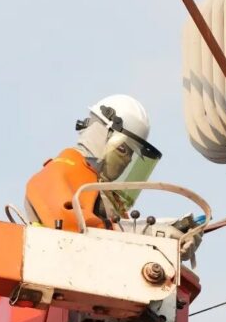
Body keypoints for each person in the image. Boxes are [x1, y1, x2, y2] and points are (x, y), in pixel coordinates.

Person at [25, 94, 163, 232]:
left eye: (132, 155)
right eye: (123, 149)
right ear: (101, 133)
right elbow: (68, 220)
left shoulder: (109, 197)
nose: (128, 160)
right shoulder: (59, 171)